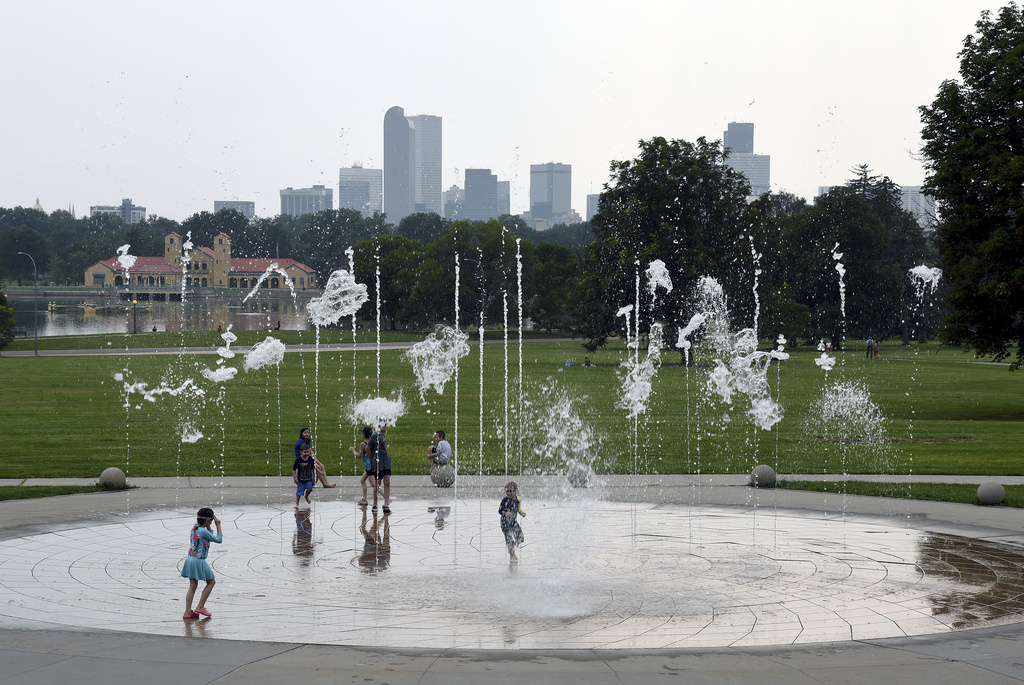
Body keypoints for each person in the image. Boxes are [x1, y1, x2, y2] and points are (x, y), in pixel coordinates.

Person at [181, 507, 222, 619]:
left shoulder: (196, 527)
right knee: (211, 582)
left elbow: (207, 534)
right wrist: (218, 525)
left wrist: (209, 524)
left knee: (193, 585)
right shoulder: (203, 531)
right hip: (199, 560)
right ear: (208, 520)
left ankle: (187, 611)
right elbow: (218, 540)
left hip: (190, 558)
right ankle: (201, 606)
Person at [498, 482, 526, 563]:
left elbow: (518, 509)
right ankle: (512, 555)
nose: (509, 493)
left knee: (520, 537)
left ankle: (512, 549)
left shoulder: (518, 499)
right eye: (507, 491)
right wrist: (505, 513)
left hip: (513, 522)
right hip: (505, 523)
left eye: (511, 491)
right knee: (510, 540)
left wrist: (522, 513)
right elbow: (500, 510)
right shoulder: (504, 500)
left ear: (516, 491)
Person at [349, 426, 377, 506]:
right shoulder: (372, 442)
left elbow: (359, 456)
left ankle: (387, 497)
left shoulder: (363, 444)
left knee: (373, 484)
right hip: (370, 465)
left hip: (369, 466)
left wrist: (353, 451)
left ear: (363, 434)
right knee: (362, 480)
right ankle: (364, 500)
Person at [368, 424, 392, 514]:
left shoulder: (382, 435)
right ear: (381, 426)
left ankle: (386, 504)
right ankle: (375, 503)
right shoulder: (375, 435)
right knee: (377, 484)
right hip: (378, 463)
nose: (387, 428)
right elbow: (368, 448)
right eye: (386, 426)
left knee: (387, 483)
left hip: (386, 463)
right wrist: (372, 460)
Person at [293, 443, 316, 508]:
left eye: (308, 452)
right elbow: (294, 469)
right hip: (301, 479)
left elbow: (314, 467)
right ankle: (297, 503)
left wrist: (319, 471)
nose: (306, 453)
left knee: (309, 489)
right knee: (299, 493)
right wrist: (295, 477)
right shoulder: (298, 460)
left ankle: (306, 496)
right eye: (304, 452)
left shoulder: (310, 459)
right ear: (300, 452)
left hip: (308, 479)